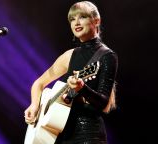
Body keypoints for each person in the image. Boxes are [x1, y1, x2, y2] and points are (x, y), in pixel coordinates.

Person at [24, 1, 118, 144]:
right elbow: (39, 84)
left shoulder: (107, 56)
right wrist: (35, 105)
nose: (76, 22)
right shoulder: (69, 55)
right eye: (72, 19)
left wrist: (82, 89)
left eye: (82, 17)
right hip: (59, 134)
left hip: (88, 134)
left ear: (96, 21)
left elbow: (103, 103)